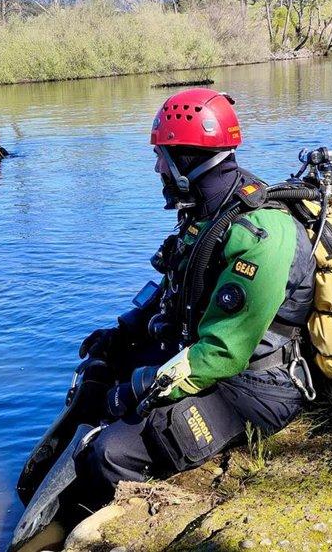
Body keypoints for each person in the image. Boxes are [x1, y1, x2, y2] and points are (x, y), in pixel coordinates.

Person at [72, 88, 316, 510]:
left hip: (256, 387)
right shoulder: (206, 211)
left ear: (185, 160)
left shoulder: (262, 234)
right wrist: (120, 334)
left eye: (161, 157)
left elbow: (224, 351)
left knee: (110, 454)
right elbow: (174, 287)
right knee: (97, 376)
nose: (156, 168)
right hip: (204, 353)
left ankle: (118, 521)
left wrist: (143, 388)